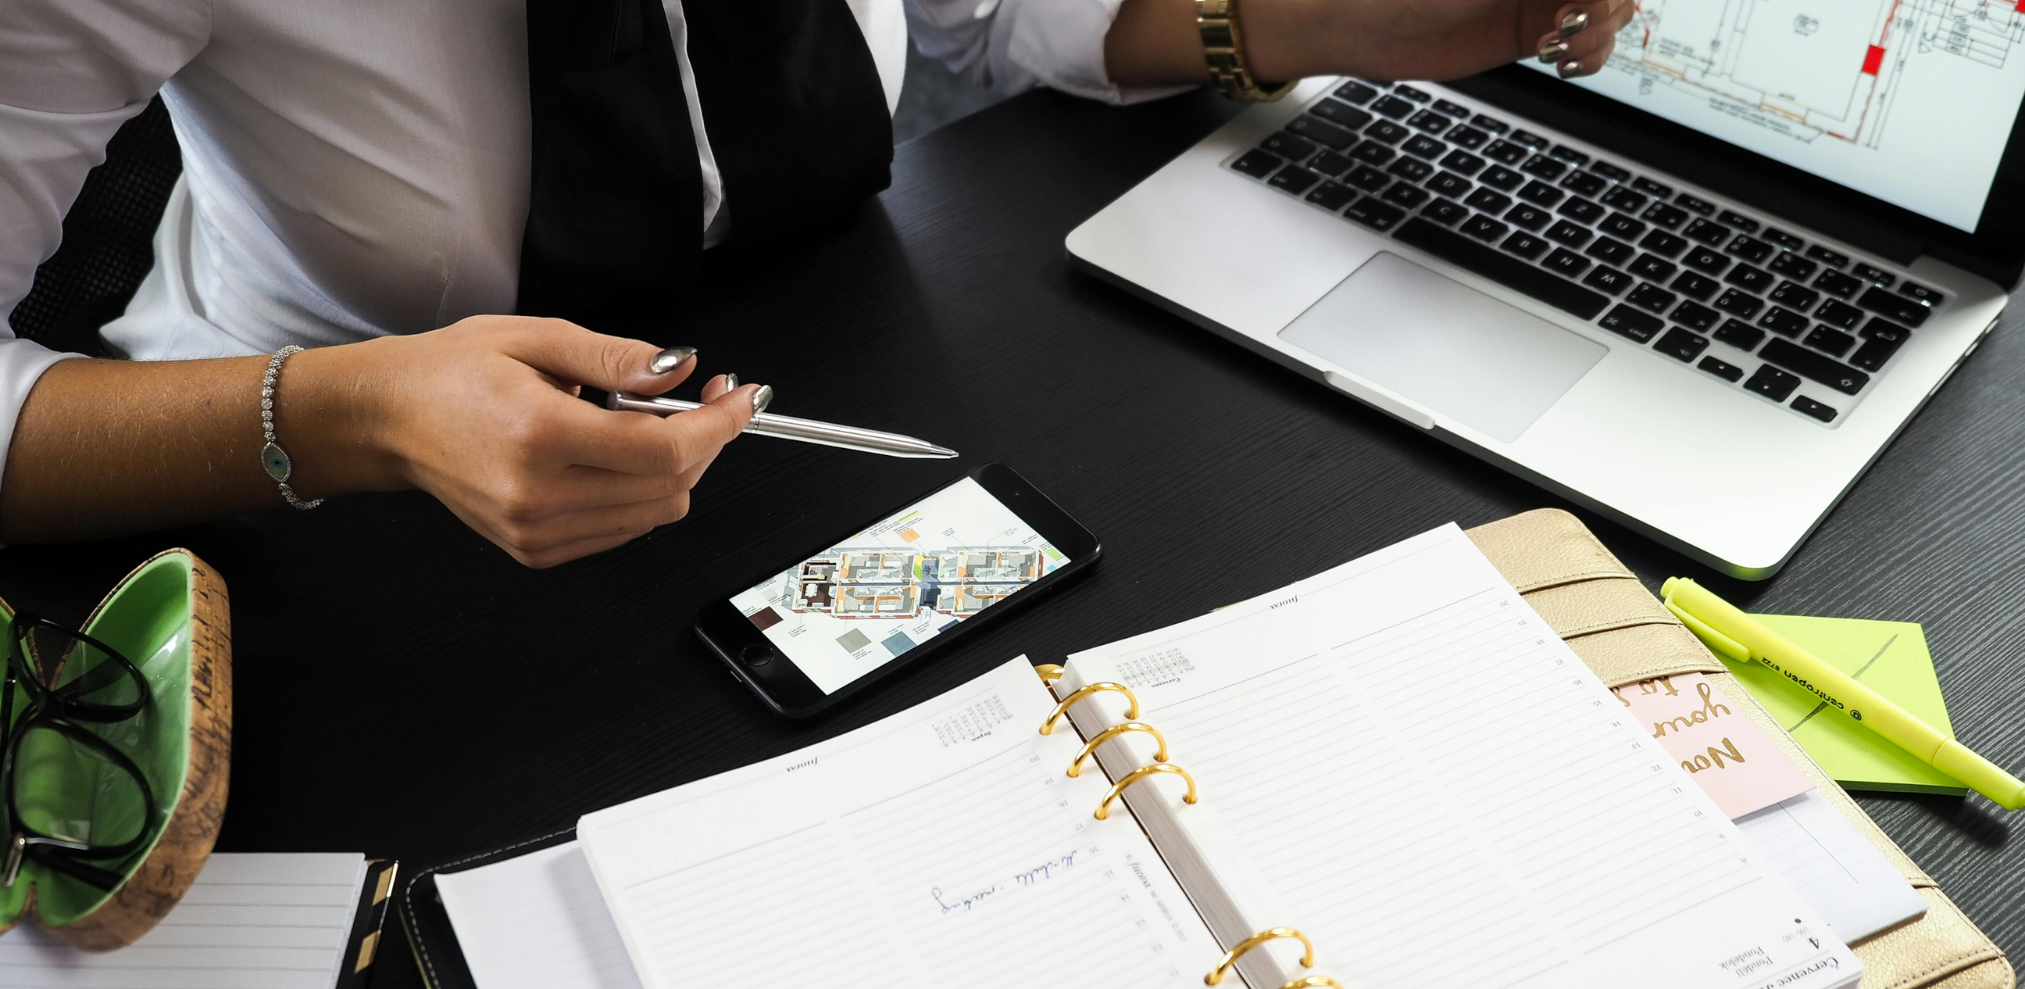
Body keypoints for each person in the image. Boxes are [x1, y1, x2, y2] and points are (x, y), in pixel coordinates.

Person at [0, 0, 1632, 567]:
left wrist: (1302, 26)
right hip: (341, 521)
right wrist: (351, 414)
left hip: (833, 364)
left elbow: (974, 23)